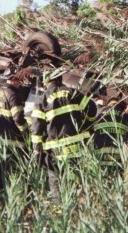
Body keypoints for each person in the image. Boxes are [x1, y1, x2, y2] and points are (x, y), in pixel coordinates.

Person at [31, 68, 97, 202]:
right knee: (79, 180)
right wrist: (87, 127)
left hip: (55, 151)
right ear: (60, 78)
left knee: (56, 182)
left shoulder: (41, 100)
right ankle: (81, 208)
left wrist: (37, 151)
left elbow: (37, 129)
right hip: (78, 147)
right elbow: (92, 109)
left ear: (45, 81)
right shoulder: (74, 93)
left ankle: (60, 211)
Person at [92, 96, 128, 172]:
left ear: (109, 104)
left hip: (99, 158)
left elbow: (97, 103)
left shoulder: (100, 110)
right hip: (119, 160)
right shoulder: (126, 115)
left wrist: (98, 99)